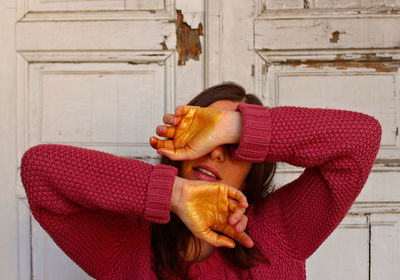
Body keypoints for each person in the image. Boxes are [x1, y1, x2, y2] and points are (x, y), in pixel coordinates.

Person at [21, 83, 381, 279]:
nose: (216, 153)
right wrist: (175, 194)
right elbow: (40, 170)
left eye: (233, 145)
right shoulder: (124, 246)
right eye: (204, 136)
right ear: (177, 145)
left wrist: (235, 124)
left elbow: (361, 139)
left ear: (253, 170)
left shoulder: (281, 230)